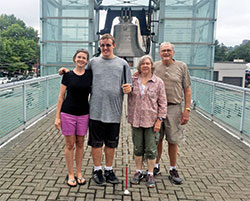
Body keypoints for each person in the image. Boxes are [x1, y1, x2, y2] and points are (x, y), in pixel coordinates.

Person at [59, 34, 132, 186]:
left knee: (111, 144)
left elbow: (129, 85)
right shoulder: (93, 62)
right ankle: (97, 170)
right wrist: (66, 71)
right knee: (96, 143)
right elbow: (79, 71)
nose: (105, 48)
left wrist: (129, 88)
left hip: (114, 111)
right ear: (99, 46)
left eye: (108, 45)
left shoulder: (123, 64)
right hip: (95, 111)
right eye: (102, 45)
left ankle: (109, 170)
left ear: (114, 45)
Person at [153, 42, 191, 185]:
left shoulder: (182, 66)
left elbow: (187, 90)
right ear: (159, 53)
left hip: (174, 107)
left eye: (169, 50)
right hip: (156, 108)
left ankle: (173, 168)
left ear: (173, 52)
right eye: (163, 51)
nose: (166, 53)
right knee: (157, 138)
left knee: (173, 139)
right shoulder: (155, 66)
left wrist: (186, 110)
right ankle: (155, 166)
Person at [128, 55, 167, 188]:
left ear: (152, 66)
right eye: (142, 64)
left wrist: (159, 120)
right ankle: (138, 171)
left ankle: (150, 173)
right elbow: (125, 90)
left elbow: (163, 103)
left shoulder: (158, 82)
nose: (145, 65)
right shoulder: (133, 80)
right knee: (138, 148)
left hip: (151, 121)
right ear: (139, 67)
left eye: (148, 63)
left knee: (151, 149)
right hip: (136, 120)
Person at [54, 49, 92, 187]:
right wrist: (57, 117)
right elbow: (61, 97)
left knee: (81, 144)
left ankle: (79, 173)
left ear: (87, 61)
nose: (81, 59)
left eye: (84, 58)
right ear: (74, 59)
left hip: (83, 114)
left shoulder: (90, 75)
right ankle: (70, 174)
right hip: (68, 114)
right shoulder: (68, 75)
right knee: (70, 145)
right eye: (79, 57)